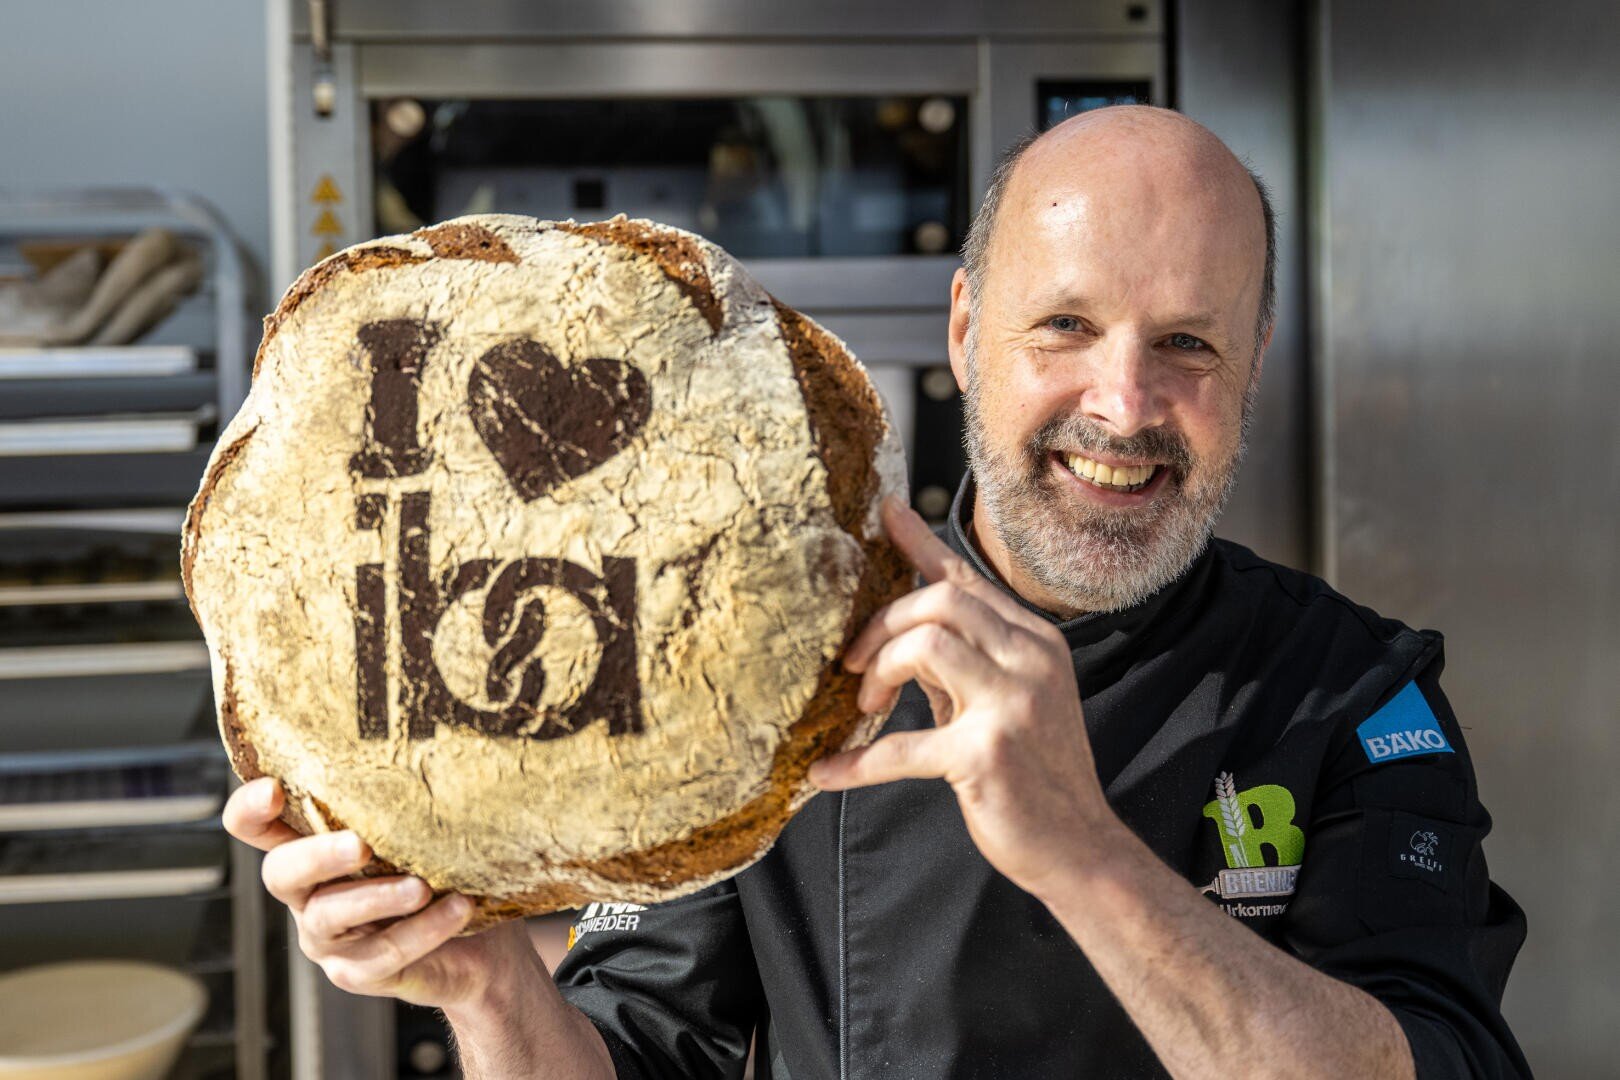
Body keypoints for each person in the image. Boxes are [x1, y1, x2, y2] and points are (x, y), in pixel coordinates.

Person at [224, 106, 1529, 1078]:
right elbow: (640, 1051)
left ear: (1254, 364)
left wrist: (1084, 855)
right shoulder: (764, 663)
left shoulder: (1361, 696)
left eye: (1188, 342)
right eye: (1066, 327)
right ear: (965, 332)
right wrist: (494, 990)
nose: (1125, 405)